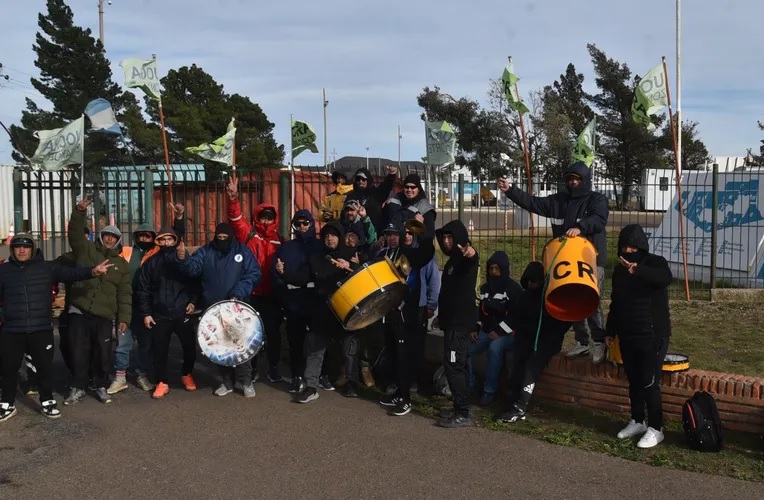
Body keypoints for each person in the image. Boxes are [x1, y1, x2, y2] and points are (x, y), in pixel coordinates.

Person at [498, 161, 609, 363]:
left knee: (591, 299)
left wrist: (580, 227)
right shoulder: (557, 201)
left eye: (577, 179)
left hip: (591, 260)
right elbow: (533, 203)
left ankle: (599, 341)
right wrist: (511, 191)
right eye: (570, 179)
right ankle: (582, 342)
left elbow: (599, 219)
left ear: (585, 180)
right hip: (565, 260)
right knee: (572, 299)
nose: (573, 182)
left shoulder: (597, 199)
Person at [0, 232, 113, 422]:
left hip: (41, 329)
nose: (22, 250)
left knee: (44, 369)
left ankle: (47, 401)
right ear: (12, 250)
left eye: (26, 247)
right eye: (18, 247)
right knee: (8, 369)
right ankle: (6, 404)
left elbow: (71, 273)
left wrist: (92, 271)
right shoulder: (3, 271)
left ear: (33, 249)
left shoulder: (47, 268)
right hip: (12, 330)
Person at [606, 224, 673, 449]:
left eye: (633, 247)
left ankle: (656, 427)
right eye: (624, 247)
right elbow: (616, 302)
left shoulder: (656, 262)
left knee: (650, 382)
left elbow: (665, 278)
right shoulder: (618, 272)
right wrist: (610, 330)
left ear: (641, 247)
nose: (628, 251)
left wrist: (638, 270)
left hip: (652, 334)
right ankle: (637, 420)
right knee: (634, 379)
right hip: (628, 333)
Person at [175, 223, 261, 398]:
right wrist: (184, 259)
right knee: (220, 347)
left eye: (225, 238)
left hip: (237, 307)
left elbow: (253, 274)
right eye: (219, 237)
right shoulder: (206, 251)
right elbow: (193, 269)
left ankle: (246, 381)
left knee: (241, 345)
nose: (222, 240)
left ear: (231, 237)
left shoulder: (242, 251)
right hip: (213, 308)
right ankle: (226, 382)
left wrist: (238, 292)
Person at [109, 204, 186, 395]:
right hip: (127, 304)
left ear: (154, 238)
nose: (144, 238)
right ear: (136, 237)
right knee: (123, 342)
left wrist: (179, 218)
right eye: (141, 235)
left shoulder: (158, 253)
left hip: (148, 307)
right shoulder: (126, 252)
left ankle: (141, 374)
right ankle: (120, 377)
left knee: (146, 343)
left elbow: (175, 237)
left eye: (148, 236)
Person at [64, 198, 132, 406]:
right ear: (101, 237)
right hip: (80, 310)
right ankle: (77, 386)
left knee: (103, 353)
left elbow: (125, 293)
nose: (110, 239)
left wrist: (123, 318)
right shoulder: (87, 250)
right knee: (78, 351)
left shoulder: (122, 265)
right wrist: (79, 212)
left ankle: (100, 385)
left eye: (114, 237)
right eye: (107, 235)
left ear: (118, 241)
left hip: (104, 314)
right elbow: (75, 234)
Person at [497, 261, 571, 423]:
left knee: (531, 366)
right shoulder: (525, 296)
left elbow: (564, 320)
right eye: (529, 281)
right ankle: (512, 398)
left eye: (535, 281)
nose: (532, 284)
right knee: (514, 359)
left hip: (547, 341)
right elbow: (515, 317)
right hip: (526, 339)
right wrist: (499, 331)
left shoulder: (550, 298)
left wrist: (550, 336)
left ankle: (520, 407)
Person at [226, 177, 283, 383]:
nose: (266, 221)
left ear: (274, 219)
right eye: (263, 217)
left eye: (269, 218)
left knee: (273, 333)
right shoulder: (248, 234)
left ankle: (274, 367)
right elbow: (235, 219)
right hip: (251, 294)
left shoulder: (280, 240)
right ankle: (253, 369)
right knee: (250, 334)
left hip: (273, 295)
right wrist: (233, 198)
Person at [297, 222, 361, 403]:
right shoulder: (317, 258)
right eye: (326, 235)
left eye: (333, 235)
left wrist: (352, 266)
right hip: (322, 310)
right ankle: (311, 386)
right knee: (315, 349)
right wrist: (283, 272)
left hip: (345, 311)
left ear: (340, 237)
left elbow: (362, 276)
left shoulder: (351, 254)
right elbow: (301, 277)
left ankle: (352, 383)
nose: (329, 238)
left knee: (349, 350)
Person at [377, 220, 435, 416]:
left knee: (404, 356)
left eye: (410, 233)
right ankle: (398, 392)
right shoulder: (387, 253)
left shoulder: (412, 253)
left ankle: (406, 399)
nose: (406, 236)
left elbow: (428, 253)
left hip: (406, 312)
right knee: (393, 353)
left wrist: (423, 231)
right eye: (390, 235)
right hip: (389, 311)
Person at [136, 227, 201, 399]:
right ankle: (162, 382)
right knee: (160, 351)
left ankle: (186, 374)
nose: (166, 243)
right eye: (162, 239)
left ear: (174, 241)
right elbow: (143, 290)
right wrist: (146, 313)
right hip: (159, 314)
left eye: (169, 239)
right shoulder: (151, 263)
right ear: (158, 241)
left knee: (189, 347)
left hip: (182, 312)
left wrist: (193, 302)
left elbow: (194, 281)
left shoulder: (183, 259)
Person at [433, 220, 479, 428]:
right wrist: (441, 316)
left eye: (450, 237)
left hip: (459, 325)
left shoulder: (464, 258)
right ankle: (460, 407)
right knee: (456, 365)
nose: (446, 241)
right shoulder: (452, 261)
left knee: (454, 366)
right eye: (444, 237)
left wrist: (470, 253)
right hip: (451, 323)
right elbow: (448, 294)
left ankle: (462, 413)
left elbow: (472, 260)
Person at [272, 210, 322, 394]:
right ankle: (297, 376)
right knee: (296, 341)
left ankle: (318, 376)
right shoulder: (287, 248)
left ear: (311, 224)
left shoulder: (320, 246)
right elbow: (275, 274)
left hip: (315, 301)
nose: (302, 227)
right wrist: (285, 298)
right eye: (298, 224)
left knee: (317, 341)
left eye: (305, 223)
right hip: (294, 302)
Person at [468, 251, 523, 407]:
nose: (493, 272)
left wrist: (499, 332)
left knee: (494, 348)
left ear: (503, 269)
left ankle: (489, 390)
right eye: (491, 268)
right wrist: (475, 328)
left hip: (508, 334)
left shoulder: (513, 289)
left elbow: (515, 317)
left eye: (497, 269)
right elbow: (481, 313)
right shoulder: (485, 288)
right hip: (487, 331)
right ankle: (470, 384)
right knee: (465, 349)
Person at [344, 165, 398, 236]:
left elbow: (386, 187)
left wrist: (391, 175)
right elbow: (344, 215)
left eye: (363, 179)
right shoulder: (351, 196)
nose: (360, 181)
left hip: (374, 234)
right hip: (354, 235)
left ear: (368, 180)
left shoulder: (376, 194)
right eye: (358, 179)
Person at [385, 174, 436, 238]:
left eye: (413, 187)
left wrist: (421, 225)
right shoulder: (393, 200)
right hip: (392, 241)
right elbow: (384, 221)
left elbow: (430, 236)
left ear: (418, 189)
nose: (409, 190)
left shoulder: (425, 208)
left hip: (415, 243)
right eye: (407, 187)